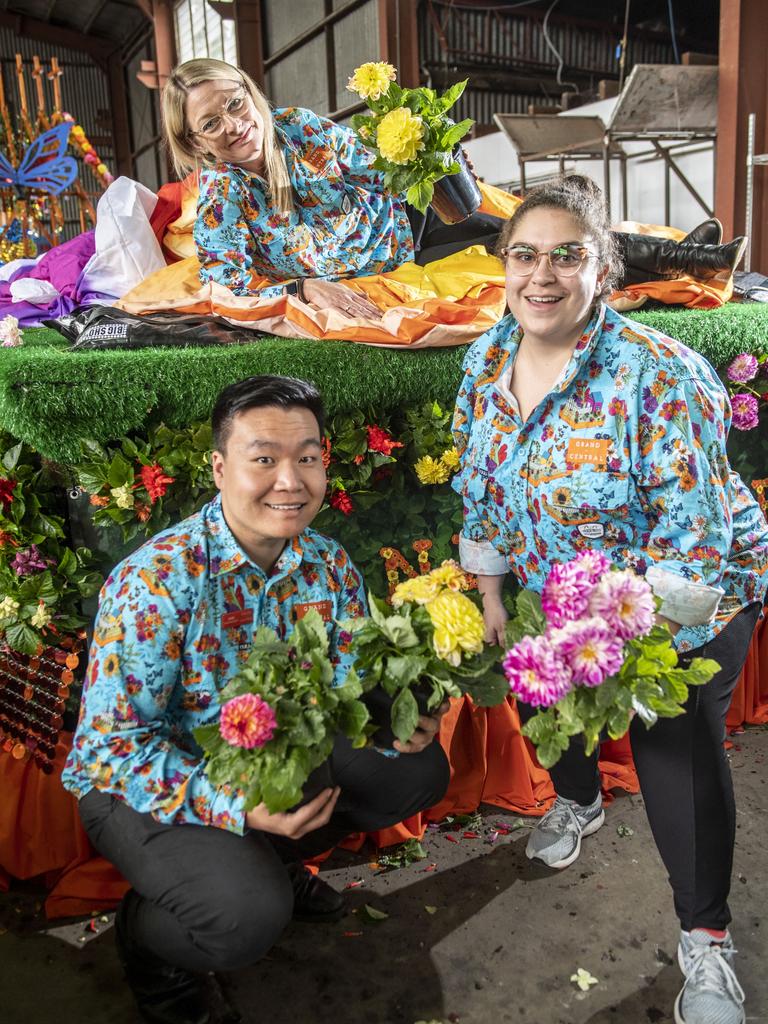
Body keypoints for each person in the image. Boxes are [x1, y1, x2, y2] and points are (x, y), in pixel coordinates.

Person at [451, 175, 768, 1024]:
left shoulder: (659, 373)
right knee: (537, 687)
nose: (542, 276)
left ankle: (705, 942)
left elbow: (695, 536)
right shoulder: (482, 362)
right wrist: (490, 591)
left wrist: (627, 642)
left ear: (605, 271)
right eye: (525, 255)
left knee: (673, 749)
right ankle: (578, 801)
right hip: (556, 590)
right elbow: (480, 491)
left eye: (568, 256)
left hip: (686, 597)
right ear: (504, 265)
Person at [62, 375, 450, 1024]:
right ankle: (150, 944)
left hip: (273, 756)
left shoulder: (327, 564)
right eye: (264, 458)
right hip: (142, 780)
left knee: (414, 770)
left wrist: (401, 720)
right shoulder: (158, 582)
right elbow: (111, 750)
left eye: (307, 457)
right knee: (247, 917)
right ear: (219, 468)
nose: (290, 480)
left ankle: (277, 857)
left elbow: (351, 683)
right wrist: (236, 808)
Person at [160, 58, 745, 317]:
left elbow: (377, 171)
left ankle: (686, 258)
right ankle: (684, 260)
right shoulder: (220, 196)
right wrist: (306, 286)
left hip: (403, 223)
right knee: (516, 245)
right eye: (211, 122)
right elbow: (226, 282)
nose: (233, 125)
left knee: (521, 229)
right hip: (395, 263)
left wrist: (429, 157)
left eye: (235, 105)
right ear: (196, 140)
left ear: (250, 95)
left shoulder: (299, 127)